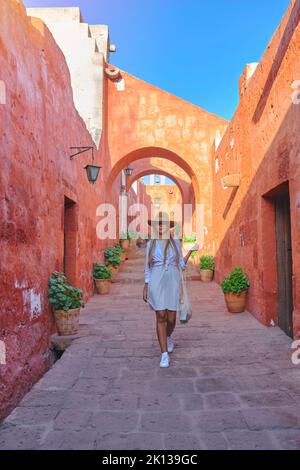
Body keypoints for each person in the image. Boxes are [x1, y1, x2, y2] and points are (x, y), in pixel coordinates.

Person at [143, 212, 199, 368]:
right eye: (158, 223)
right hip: (156, 280)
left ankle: (168, 335)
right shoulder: (151, 244)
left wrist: (190, 252)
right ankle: (164, 354)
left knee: (171, 318)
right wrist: (146, 285)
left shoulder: (175, 243)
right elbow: (148, 267)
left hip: (173, 281)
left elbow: (181, 264)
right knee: (160, 315)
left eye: (164, 223)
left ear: (168, 226)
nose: (161, 226)